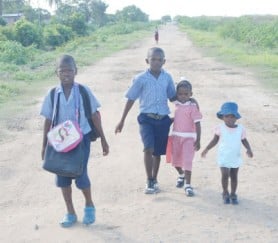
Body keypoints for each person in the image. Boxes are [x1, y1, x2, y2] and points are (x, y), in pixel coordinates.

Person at [40, 54, 109, 227]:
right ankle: (70, 212)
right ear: (57, 73)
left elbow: (94, 116)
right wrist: (44, 145)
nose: (66, 74)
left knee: (80, 175)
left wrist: (103, 140)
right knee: (62, 177)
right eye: (62, 71)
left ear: (76, 71)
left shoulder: (84, 91)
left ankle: (89, 204)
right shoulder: (52, 94)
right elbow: (48, 120)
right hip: (59, 142)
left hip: (81, 140)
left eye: (69, 70)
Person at [115, 47, 176, 194]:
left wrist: (189, 101)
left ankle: (155, 179)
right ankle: (149, 180)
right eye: (153, 59)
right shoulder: (140, 78)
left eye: (159, 59)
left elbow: (173, 97)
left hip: (163, 119)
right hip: (146, 119)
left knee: (157, 153)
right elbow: (131, 98)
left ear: (164, 61)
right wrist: (122, 120)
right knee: (148, 148)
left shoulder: (167, 78)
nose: (156, 62)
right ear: (147, 60)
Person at [201, 102, 253, 204]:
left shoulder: (240, 129)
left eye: (232, 116)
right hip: (223, 156)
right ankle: (225, 192)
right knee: (225, 174)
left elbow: (244, 140)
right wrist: (206, 149)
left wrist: (249, 149)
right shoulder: (220, 128)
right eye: (227, 116)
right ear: (222, 117)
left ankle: (233, 194)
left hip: (235, 156)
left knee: (234, 176)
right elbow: (214, 140)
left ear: (236, 117)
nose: (230, 119)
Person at [166, 79, 202, 196]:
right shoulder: (176, 104)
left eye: (186, 94)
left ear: (191, 94)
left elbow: (197, 123)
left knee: (187, 161)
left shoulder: (192, 107)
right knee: (175, 161)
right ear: (177, 94)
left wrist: (198, 140)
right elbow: (178, 117)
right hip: (176, 136)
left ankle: (188, 185)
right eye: (180, 94)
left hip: (189, 138)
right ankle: (181, 175)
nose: (183, 96)